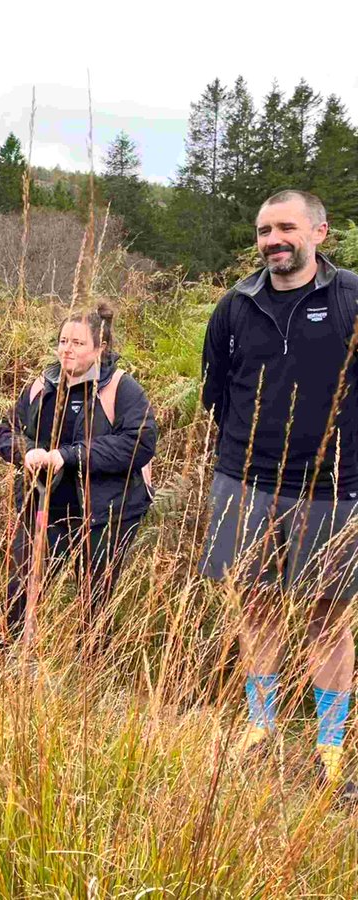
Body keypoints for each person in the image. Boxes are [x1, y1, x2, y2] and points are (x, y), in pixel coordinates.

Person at [200, 189, 358, 801]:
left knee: (327, 618)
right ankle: (260, 727)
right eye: (265, 230)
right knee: (256, 606)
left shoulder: (350, 298)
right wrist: (245, 456)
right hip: (246, 482)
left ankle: (330, 745)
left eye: (286, 227)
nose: (273, 240)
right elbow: (216, 393)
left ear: (319, 232)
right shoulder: (235, 306)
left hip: (334, 489)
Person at [0, 304, 156, 650]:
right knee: (21, 589)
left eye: (78, 343)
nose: (67, 349)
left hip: (104, 515)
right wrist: (26, 452)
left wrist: (68, 456)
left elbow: (139, 443)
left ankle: (91, 669)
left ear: (100, 348)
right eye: (63, 341)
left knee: (95, 601)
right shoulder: (42, 387)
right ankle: (8, 659)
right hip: (44, 507)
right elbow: (6, 431)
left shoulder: (121, 389)